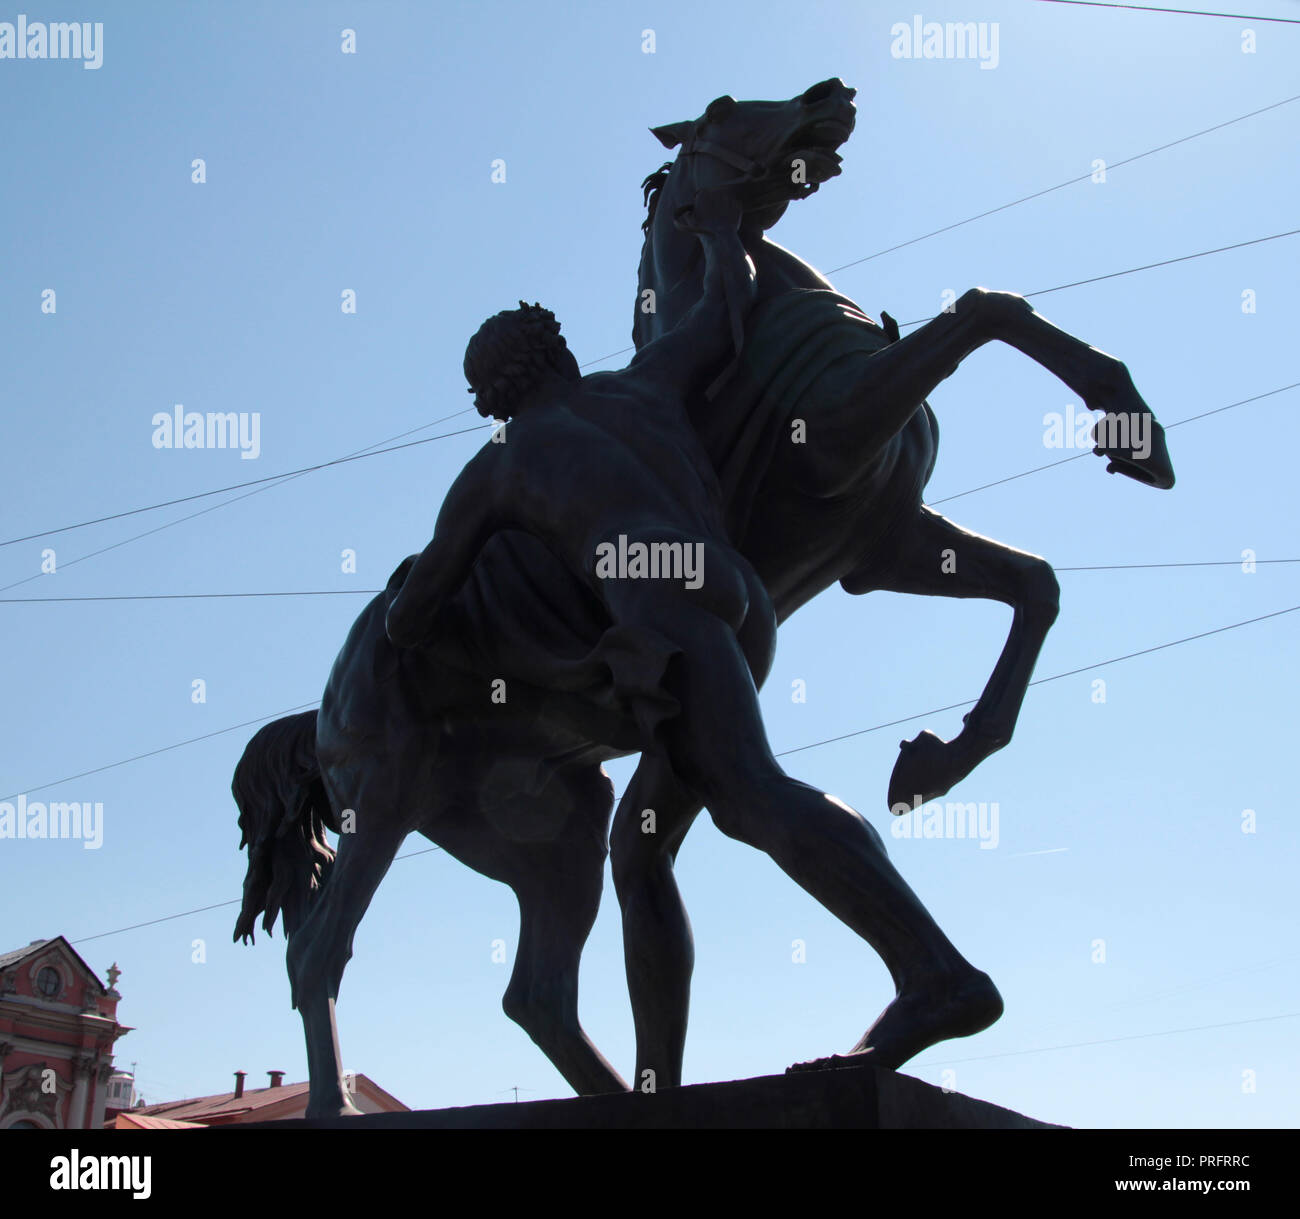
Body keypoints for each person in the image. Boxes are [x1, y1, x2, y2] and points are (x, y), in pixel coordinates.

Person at [386, 190, 1002, 1072]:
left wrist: (421, 593)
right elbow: (727, 308)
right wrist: (718, 237)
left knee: (752, 794)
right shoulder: (644, 383)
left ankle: (937, 974)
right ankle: (658, 1093)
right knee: (638, 846)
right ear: (557, 352)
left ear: (490, 395)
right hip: (737, 600)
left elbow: (414, 617)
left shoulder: (501, 466)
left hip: (664, 616)